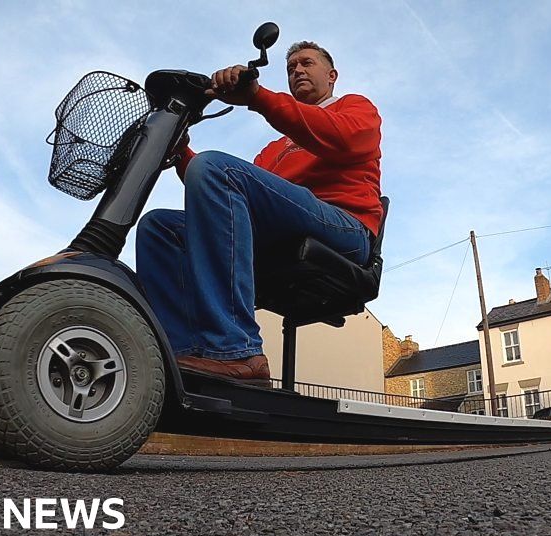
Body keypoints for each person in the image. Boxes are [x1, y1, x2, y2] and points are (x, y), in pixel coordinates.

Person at [136, 41, 383, 385]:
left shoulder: (355, 108)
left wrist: (257, 97)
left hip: (343, 225)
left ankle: (237, 350)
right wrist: (180, 152)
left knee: (218, 168)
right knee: (159, 227)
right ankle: (186, 350)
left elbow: (346, 139)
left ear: (331, 75)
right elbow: (222, 190)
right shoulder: (275, 147)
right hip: (283, 229)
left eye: (306, 63)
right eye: (291, 67)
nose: (296, 70)